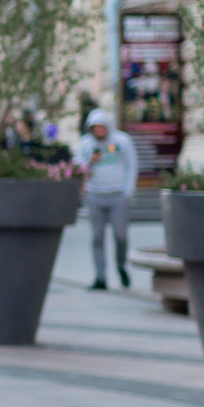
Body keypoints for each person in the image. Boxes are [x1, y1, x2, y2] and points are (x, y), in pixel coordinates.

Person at [76, 108, 138, 290]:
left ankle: (121, 266)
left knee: (120, 235)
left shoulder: (122, 141)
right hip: (95, 195)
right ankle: (100, 277)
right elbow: (78, 167)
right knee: (97, 238)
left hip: (118, 195)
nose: (99, 131)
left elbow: (131, 165)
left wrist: (128, 191)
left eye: (101, 127)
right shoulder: (85, 144)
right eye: (95, 128)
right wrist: (90, 161)